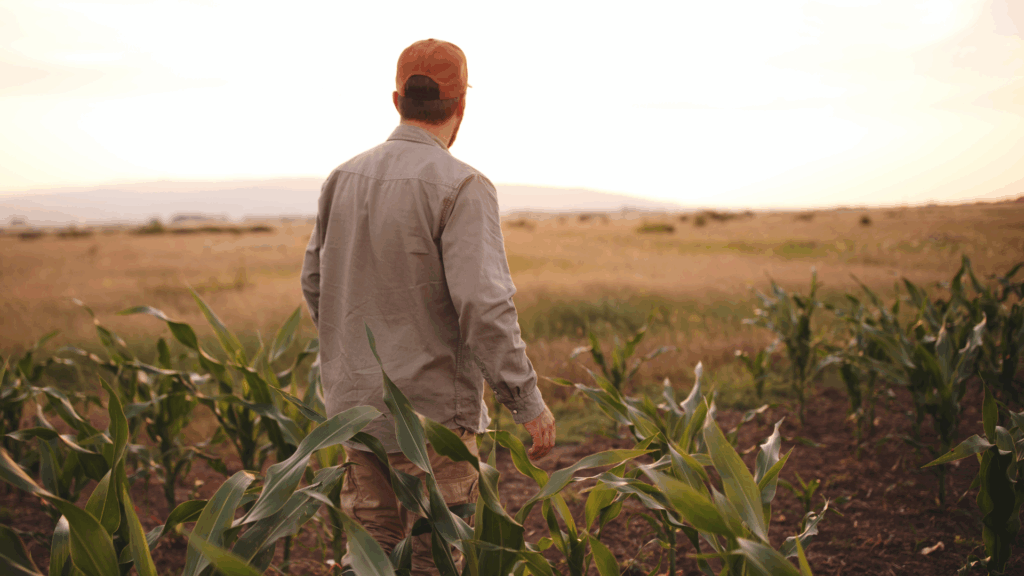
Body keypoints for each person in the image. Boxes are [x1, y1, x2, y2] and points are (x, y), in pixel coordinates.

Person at [300, 38, 556, 575]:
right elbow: (482, 305)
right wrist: (526, 401)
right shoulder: (463, 185)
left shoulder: (341, 179)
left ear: (397, 101)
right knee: (431, 560)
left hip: (356, 414)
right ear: (461, 105)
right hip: (432, 425)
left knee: (370, 556)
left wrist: (354, 362)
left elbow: (314, 283)